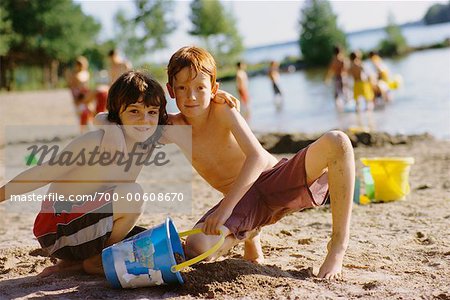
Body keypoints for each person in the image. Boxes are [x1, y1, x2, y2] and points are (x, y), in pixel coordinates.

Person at [98, 46, 354, 279]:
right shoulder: (174, 128)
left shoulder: (223, 110)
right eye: (183, 88)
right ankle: (249, 233)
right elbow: (108, 119)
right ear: (171, 90)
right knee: (198, 248)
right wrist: (108, 128)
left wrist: (225, 210)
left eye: (200, 87)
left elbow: (255, 157)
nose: (192, 96)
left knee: (337, 141)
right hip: (244, 201)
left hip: (274, 179)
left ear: (214, 89)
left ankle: (338, 245)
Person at [0, 71, 168, 277]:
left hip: (86, 222)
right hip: (57, 229)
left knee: (149, 239)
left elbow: (188, 122)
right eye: (134, 111)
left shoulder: (148, 140)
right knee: (134, 194)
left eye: (152, 112)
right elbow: (43, 172)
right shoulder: (94, 142)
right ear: (117, 113)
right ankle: (95, 261)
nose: (144, 121)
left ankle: (76, 263)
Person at [325, 46, 349, 110]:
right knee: (345, 92)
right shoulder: (342, 59)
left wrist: (327, 79)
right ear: (341, 51)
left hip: (335, 78)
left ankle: (337, 108)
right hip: (342, 77)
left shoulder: (333, 60)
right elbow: (346, 69)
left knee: (336, 94)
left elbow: (330, 71)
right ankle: (346, 106)